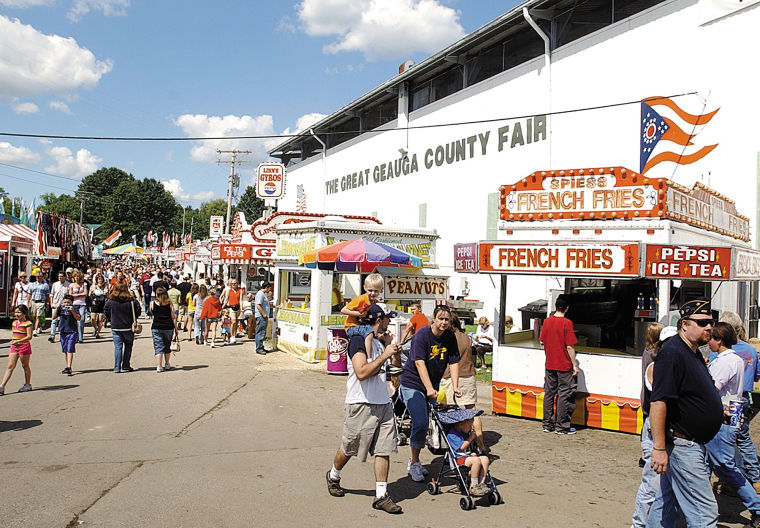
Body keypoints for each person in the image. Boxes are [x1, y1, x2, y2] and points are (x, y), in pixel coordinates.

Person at [646, 298, 724, 528]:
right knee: (704, 514)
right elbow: (658, 403)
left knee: (665, 505)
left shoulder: (693, 351)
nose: (709, 327)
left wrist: (718, 410)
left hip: (690, 443)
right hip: (682, 444)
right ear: (684, 324)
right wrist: (659, 448)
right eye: (702, 323)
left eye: (711, 322)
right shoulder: (672, 353)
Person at [325, 303, 403, 514]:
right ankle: (333, 475)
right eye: (388, 318)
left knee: (383, 449)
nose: (390, 323)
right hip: (360, 404)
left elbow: (394, 377)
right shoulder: (358, 341)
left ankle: (381, 496)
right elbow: (361, 372)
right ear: (379, 320)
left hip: (383, 403)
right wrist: (385, 354)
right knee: (349, 447)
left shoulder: (379, 343)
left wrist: (394, 354)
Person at [702, 322, 760, 527]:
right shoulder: (734, 359)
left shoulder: (724, 362)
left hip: (722, 418)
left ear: (719, 340)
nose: (708, 342)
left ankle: (757, 507)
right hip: (732, 413)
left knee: (725, 467)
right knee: (706, 465)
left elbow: (710, 390)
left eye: (711, 338)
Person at [399, 304, 461, 482]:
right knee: (420, 422)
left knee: (434, 423)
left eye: (447, 320)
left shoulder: (449, 336)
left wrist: (455, 386)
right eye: (440, 319)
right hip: (413, 383)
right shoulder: (422, 335)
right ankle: (415, 462)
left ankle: (443, 454)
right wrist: (428, 388)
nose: (443, 322)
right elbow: (419, 363)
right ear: (433, 319)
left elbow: (454, 361)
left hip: (432, 385)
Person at [631, 323, 670, 528]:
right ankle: (640, 524)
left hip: (649, 413)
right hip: (653, 418)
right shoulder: (654, 360)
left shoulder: (649, 353)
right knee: (652, 482)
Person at [719, 311, 760, 493]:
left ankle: (731, 479)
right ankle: (755, 477)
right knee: (743, 438)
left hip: (728, 401)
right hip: (744, 398)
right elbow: (758, 375)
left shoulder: (723, 352)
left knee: (726, 440)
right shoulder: (751, 350)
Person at [440, 313, 487, 452]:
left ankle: (451, 443)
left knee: (447, 410)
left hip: (451, 376)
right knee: (472, 410)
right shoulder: (467, 337)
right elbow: (473, 357)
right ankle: (481, 444)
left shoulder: (448, 337)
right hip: (469, 374)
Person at [539, 297, 579, 435]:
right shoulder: (567, 323)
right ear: (567, 308)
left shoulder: (547, 321)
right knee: (564, 395)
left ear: (556, 306)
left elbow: (542, 342)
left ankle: (547, 424)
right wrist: (575, 365)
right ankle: (562, 426)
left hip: (550, 363)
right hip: (564, 365)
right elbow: (570, 346)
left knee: (549, 394)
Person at [446, 416, 491, 496]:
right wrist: (471, 438)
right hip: (458, 459)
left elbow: (467, 450)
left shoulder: (465, 433)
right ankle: (474, 485)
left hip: (467, 457)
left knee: (485, 459)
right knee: (476, 461)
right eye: (469, 426)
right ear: (461, 424)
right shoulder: (452, 435)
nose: (471, 428)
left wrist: (471, 453)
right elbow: (462, 447)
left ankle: (481, 483)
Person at [342, 273, 384, 357]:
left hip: (362, 326)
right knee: (369, 333)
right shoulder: (360, 299)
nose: (372, 293)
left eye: (376, 291)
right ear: (364, 288)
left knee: (383, 336)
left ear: (381, 290)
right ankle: (369, 358)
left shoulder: (375, 302)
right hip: (352, 326)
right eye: (370, 290)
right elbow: (343, 310)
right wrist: (358, 314)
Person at [104, 281, 142, 373]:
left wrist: (111, 319)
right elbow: (138, 311)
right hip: (128, 326)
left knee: (118, 347)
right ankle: (125, 365)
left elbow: (106, 312)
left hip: (116, 326)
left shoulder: (110, 301)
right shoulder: (131, 300)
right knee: (128, 346)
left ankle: (117, 367)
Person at [0, 304, 34, 394]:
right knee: (10, 366)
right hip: (14, 347)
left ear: (24, 313)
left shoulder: (28, 323)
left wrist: (18, 341)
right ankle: (2, 386)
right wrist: (13, 341)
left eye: (19, 312)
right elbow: (15, 334)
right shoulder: (14, 322)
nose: (17, 314)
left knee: (25, 366)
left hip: (24, 347)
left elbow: (29, 336)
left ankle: (27, 384)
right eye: (16, 312)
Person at [151, 287, 177, 372]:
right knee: (167, 345)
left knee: (158, 346)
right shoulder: (170, 304)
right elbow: (173, 317)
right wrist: (176, 329)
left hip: (156, 326)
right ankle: (167, 363)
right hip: (168, 327)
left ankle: (159, 365)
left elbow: (152, 312)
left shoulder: (152, 303)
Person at [54, 294, 81, 376]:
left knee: (70, 349)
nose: (66, 304)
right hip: (63, 330)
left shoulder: (75, 308)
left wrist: (72, 311)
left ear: (72, 303)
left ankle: (69, 367)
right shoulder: (61, 308)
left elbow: (78, 318)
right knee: (65, 350)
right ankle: (67, 366)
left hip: (72, 331)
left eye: (68, 302)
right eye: (65, 302)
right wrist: (57, 308)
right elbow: (53, 317)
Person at [48, 271, 70, 343]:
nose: (60, 278)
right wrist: (51, 303)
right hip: (55, 304)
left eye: (61, 276)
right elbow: (51, 294)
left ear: (65, 277)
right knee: (54, 320)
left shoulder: (68, 285)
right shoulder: (55, 284)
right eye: (59, 276)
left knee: (62, 321)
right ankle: (52, 335)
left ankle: (62, 336)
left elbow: (69, 296)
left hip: (64, 305)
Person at [221, 278, 245, 343]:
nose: (233, 285)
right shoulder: (229, 291)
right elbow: (226, 300)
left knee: (236, 323)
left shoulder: (240, 291)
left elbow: (240, 300)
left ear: (237, 284)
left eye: (235, 283)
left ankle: (234, 335)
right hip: (232, 308)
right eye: (232, 284)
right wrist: (222, 307)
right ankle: (231, 336)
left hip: (238, 307)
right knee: (233, 322)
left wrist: (242, 308)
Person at [69, 270, 88, 343]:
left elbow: (85, 293)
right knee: (75, 321)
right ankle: (76, 336)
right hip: (74, 304)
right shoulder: (71, 285)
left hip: (82, 304)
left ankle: (80, 337)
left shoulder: (84, 284)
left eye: (78, 277)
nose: (77, 278)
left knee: (81, 320)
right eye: (75, 277)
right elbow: (70, 294)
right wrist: (80, 294)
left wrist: (76, 295)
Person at [254, 281, 272, 355]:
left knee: (262, 332)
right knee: (260, 332)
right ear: (266, 287)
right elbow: (258, 305)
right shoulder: (260, 294)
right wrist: (263, 314)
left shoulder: (263, 294)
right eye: (269, 288)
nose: (269, 290)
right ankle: (259, 348)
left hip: (263, 315)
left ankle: (261, 346)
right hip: (261, 316)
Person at [89, 274, 107, 339]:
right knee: (93, 319)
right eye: (99, 279)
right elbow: (92, 293)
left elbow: (106, 292)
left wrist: (103, 291)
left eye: (101, 279)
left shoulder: (105, 286)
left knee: (100, 319)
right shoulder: (93, 286)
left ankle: (98, 333)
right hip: (95, 303)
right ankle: (95, 328)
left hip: (102, 303)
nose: (100, 281)